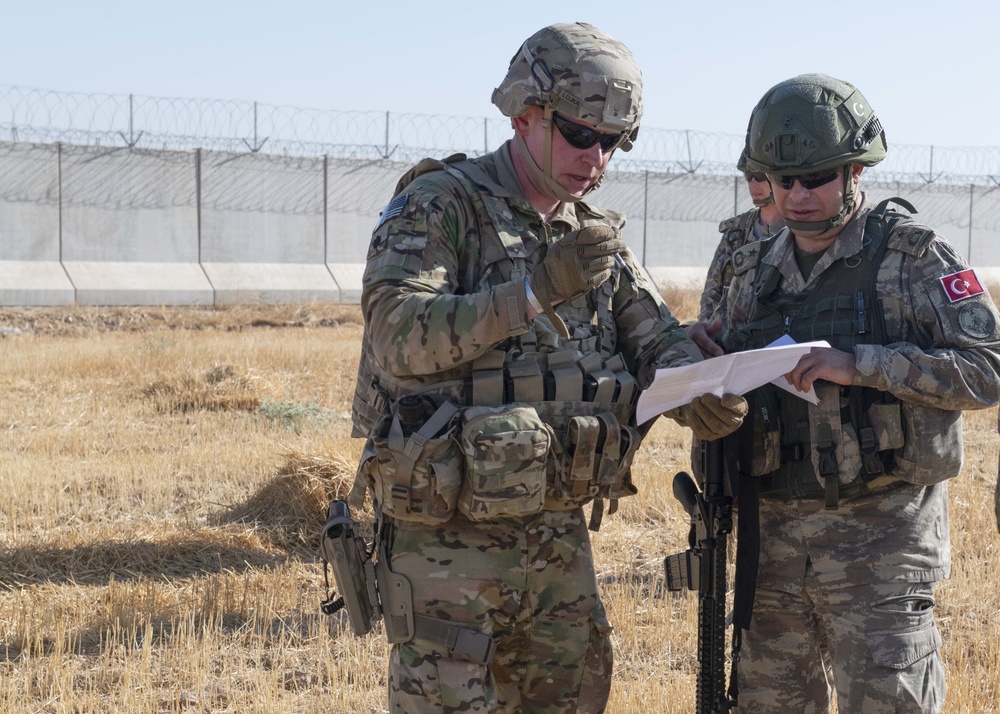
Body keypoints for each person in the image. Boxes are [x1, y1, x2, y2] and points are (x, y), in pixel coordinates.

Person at [347, 22, 747, 714]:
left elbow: (654, 335)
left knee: (577, 691)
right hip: (447, 540)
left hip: (557, 533)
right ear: (524, 114)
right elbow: (396, 336)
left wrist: (698, 392)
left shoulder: (589, 234)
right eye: (580, 133)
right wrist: (531, 292)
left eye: (615, 141)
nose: (596, 157)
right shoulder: (442, 204)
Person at [686, 74, 1000, 713]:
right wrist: (700, 358)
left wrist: (860, 365)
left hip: (879, 548)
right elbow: (718, 375)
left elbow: (987, 368)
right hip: (767, 548)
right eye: (783, 180)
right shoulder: (749, 269)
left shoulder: (913, 257)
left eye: (817, 177)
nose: (797, 195)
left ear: (856, 169)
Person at [698, 153, 785, 321]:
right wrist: (706, 328)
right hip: (729, 334)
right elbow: (712, 289)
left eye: (760, 176)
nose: (753, 183)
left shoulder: (797, 232)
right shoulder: (736, 231)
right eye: (748, 176)